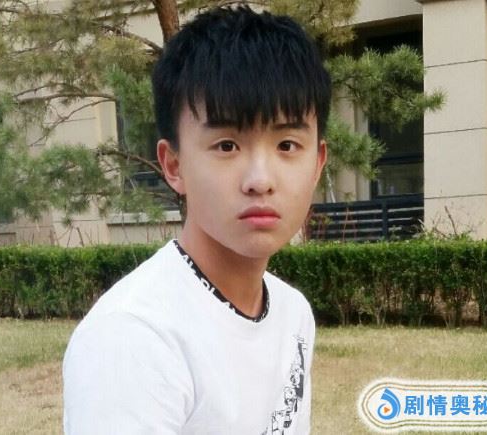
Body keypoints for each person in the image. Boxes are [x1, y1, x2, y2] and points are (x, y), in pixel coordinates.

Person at [63, 5, 330, 434]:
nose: (260, 180)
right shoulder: (133, 337)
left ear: (317, 163)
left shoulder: (293, 314)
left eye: (287, 145)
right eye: (226, 146)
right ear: (174, 165)